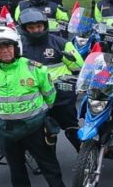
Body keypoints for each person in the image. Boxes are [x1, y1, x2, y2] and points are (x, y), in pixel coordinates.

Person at [0, 25, 69, 187]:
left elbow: (49, 96)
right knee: (15, 165)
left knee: (47, 163)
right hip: (4, 128)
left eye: (8, 46)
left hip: (33, 126)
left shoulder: (35, 69)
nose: (5, 50)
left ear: (16, 46)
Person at [18, 9, 84, 150]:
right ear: (24, 29)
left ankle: (86, 156)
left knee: (71, 127)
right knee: (40, 133)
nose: (36, 30)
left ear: (45, 25)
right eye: (31, 27)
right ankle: (45, 162)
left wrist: (75, 83)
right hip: (33, 97)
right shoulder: (18, 47)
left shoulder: (61, 44)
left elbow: (80, 67)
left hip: (61, 95)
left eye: (39, 26)